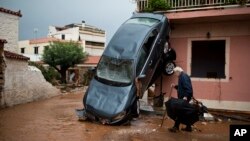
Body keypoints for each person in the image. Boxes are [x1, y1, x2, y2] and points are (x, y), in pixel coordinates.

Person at [168, 66, 193, 132]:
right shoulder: (181, 76)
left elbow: (188, 88)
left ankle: (175, 127)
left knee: (179, 112)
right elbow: (181, 87)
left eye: (175, 73)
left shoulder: (183, 76)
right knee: (184, 112)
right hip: (183, 97)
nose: (175, 75)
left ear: (178, 72)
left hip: (184, 98)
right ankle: (188, 127)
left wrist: (186, 97)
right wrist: (175, 86)